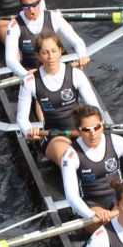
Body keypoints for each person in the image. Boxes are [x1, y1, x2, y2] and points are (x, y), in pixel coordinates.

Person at [14, 32, 100, 164]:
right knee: (71, 161)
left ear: (60, 51)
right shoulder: (30, 81)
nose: (50, 57)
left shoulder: (76, 74)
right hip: (53, 135)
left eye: (54, 51)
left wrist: (92, 129)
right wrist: (28, 130)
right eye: (45, 52)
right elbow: (21, 118)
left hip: (82, 130)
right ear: (38, 55)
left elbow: (94, 108)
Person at [3, 0, 90, 76]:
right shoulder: (14, 25)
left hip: (57, 69)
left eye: (34, 4)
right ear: (21, 4)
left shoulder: (53, 17)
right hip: (33, 74)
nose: (31, 9)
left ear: (40, 1)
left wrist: (82, 55)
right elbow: (10, 59)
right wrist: (25, 74)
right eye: (26, 5)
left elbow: (77, 42)